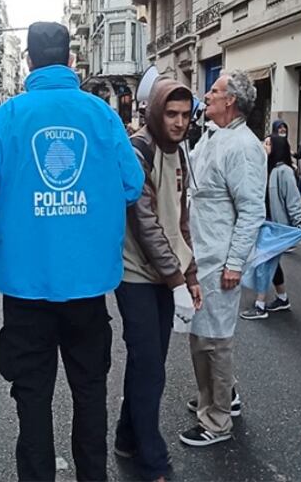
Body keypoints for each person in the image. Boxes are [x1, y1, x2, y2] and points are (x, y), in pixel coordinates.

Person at [0, 22, 144, 481]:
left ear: (28, 62)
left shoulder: (7, 117)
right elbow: (132, 183)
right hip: (87, 288)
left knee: (32, 398)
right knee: (90, 393)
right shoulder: (101, 115)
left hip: (26, 290)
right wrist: (90, 217)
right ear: (71, 60)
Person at [114, 78, 203, 481]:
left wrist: (191, 273)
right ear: (155, 112)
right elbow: (145, 222)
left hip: (167, 277)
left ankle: (127, 437)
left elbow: (180, 220)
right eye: (172, 114)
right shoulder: (139, 150)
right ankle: (153, 458)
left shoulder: (179, 152)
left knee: (148, 362)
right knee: (150, 366)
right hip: (135, 275)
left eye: (185, 115)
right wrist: (177, 280)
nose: (180, 122)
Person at [180, 70, 266, 447]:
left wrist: (234, 264)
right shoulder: (215, 137)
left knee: (212, 340)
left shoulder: (243, 147)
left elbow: (251, 211)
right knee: (202, 334)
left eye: (214, 91)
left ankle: (215, 422)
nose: (207, 95)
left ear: (230, 101)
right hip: (204, 255)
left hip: (219, 260)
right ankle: (221, 396)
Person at [241, 136, 301, 320]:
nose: (264, 146)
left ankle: (260, 305)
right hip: (264, 223)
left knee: (263, 261)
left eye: (268, 144)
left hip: (276, 227)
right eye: (264, 142)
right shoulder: (265, 168)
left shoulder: (284, 171)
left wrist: (298, 221)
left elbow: (293, 199)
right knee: (270, 262)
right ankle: (282, 298)